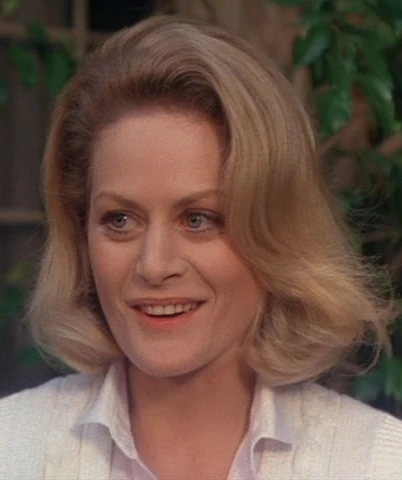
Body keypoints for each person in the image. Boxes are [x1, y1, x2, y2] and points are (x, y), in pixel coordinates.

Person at [1, 14, 402, 480]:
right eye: (120, 220)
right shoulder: (12, 447)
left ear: (277, 232)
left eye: (198, 219)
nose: (154, 266)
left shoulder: (377, 463)